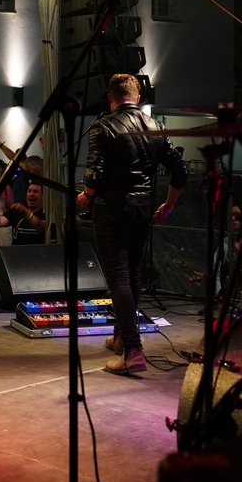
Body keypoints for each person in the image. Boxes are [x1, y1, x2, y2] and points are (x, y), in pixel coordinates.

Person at [75, 73, 187, 375]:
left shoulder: (104, 126)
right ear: (137, 97)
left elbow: (95, 172)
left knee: (118, 278)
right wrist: (168, 205)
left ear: (111, 98)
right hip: (143, 210)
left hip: (111, 209)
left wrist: (86, 196)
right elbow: (180, 170)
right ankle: (122, 338)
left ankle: (134, 351)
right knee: (133, 274)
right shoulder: (156, 127)